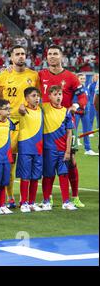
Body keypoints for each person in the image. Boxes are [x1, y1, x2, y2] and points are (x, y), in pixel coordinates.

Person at [39, 45, 88, 208]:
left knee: (71, 160)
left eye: (55, 54)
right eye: (49, 54)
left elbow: (82, 97)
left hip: (65, 125)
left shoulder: (71, 77)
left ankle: (74, 197)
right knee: (49, 161)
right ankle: (49, 197)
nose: (52, 57)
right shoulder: (41, 75)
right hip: (46, 125)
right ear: (46, 57)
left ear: (62, 56)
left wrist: (76, 106)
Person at [0, 45, 40, 208]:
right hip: (10, 124)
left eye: (23, 54)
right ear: (11, 57)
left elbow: (38, 98)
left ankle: (27, 199)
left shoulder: (34, 75)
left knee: (28, 160)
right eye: (17, 54)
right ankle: (9, 196)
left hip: (29, 125)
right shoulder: (3, 76)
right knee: (10, 161)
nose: (21, 56)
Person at [41, 85, 77, 211]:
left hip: (62, 151)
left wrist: (68, 151)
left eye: (60, 94)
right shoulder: (43, 108)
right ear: (49, 96)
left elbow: (69, 133)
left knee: (63, 175)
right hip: (48, 150)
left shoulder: (66, 112)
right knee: (48, 176)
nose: (58, 97)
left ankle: (66, 201)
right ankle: (46, 201)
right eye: (55, 94)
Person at [16, 87, 44, 213]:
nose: (36, 98)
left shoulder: (41, 110)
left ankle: (31, 202)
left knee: (35, 176)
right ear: (26, 98)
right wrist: (22, 106)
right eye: (33, 96)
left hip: (38, 148)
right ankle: (23, 203)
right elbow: (20, 109)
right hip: (26, 147)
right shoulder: (23, 109)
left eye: (37, 95)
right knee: (25, 176)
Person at [74, 73, 98, 155]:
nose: (83, 80)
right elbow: (73, 101)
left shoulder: (86, 89)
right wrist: (78, 109)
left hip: (85, 113)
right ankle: (72, 147)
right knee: (73, 130)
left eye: (84, 78)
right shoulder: (74, 89)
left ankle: (88, 149)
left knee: (87, 131)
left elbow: (87, 101)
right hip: (77, 112)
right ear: (77, 79)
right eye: (81, 78)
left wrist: (86, 109)